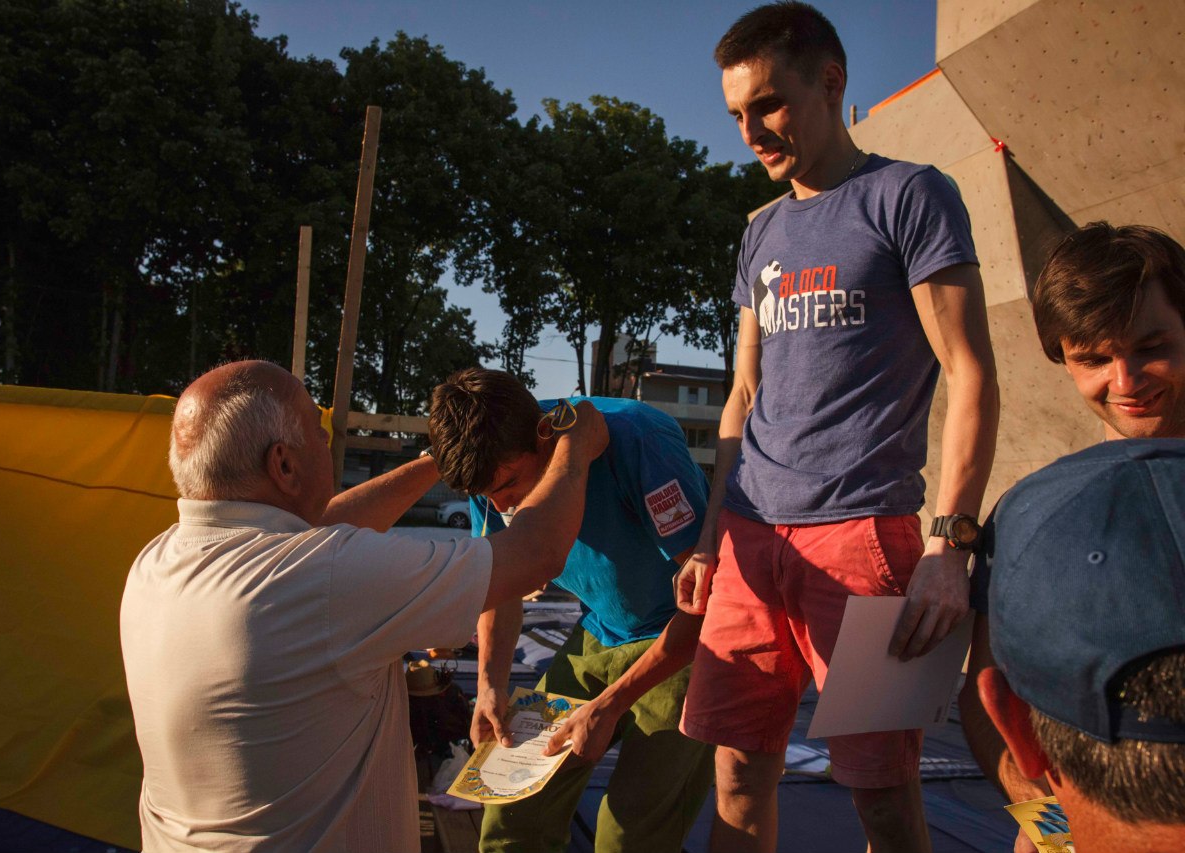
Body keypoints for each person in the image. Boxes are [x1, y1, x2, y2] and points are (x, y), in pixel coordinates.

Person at [673, 4, 1000, 851]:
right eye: (737, 115)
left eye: (769, 105)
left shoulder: (910, 194)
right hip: (750, 541)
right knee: (738, 773)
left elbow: (969, 372)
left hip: (867, 540)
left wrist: (949, 548)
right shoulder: (760, 233)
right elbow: (742, 396)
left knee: (883, 796)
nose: (751, 131)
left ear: (831, 82)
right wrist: (711, 539)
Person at [119, 360, 608, 853]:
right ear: (284, 464)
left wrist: (449, 455)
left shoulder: (154, 563)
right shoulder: (324, 577)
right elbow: (533, 554)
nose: (330, 445)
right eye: (319, 430)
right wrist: (577, 439)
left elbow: (315, 528)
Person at [960, 223, 1185, 850]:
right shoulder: (1034, 514)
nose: (1126, 381)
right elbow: (989, 695)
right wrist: (1059, 832)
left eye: (1152, 346)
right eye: (1092, 359)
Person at [426, 367, 714, 853]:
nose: (503, 504)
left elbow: (710, 604)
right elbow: (502, 589)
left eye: (511, 485)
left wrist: (613, 703)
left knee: (630, 831)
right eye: (487, 497)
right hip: (602, 629)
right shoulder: (492, 468)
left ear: (545, 437)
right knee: (509, 800)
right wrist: (490, 687)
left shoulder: (640, 441)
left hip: (686, 640)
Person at [974, 439, 1185, 853]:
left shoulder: (1036, 525)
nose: (1125, 381)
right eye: (1093, 365)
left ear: (1021, 730)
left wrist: (1058, 838)